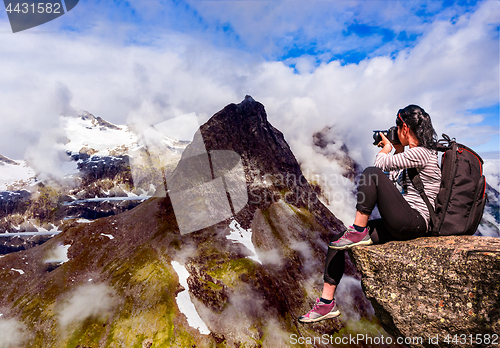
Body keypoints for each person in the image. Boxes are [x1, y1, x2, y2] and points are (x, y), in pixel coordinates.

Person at [299, 104, 441, 323]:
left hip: (416, 222)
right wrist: (398, 149)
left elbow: (379, 166)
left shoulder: (423, 153)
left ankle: (359, 229)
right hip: (405, 220)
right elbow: (392, 183)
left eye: (397, 126)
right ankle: (326, 303)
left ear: (404, 126)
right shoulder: (414, 155)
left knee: (371, 173)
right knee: (338, 241)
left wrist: (386, 149)